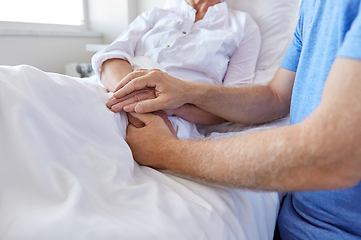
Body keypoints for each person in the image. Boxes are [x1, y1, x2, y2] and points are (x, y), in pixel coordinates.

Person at [107, 0, 361, 239]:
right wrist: (184, 91)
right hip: (293, 222)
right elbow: (275, 97)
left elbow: (336, 154)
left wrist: (163, 150)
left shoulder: (242, 25)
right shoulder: (313, 7)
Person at [92, 0, 261, 139]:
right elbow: (111, 56)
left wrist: (171, 106)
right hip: (114, 92)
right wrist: (135, 99)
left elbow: (233, 105)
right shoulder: (155, 14)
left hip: (174, 117)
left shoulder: (243, 26)